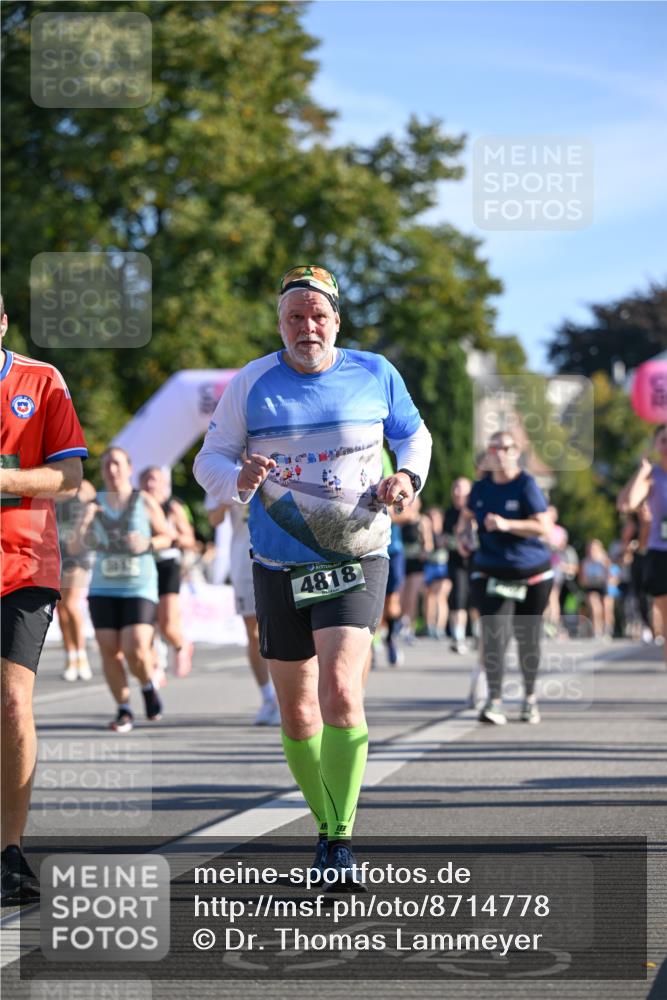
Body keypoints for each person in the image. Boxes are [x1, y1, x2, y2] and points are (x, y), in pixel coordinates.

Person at [194, 264, 431, 883]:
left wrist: (406, 476)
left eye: (317, 316)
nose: (307, 327)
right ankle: (324, 823)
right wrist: (236, 479)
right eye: (295, 317)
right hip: (278, 561)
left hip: (357, 555)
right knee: (298, 715)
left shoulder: (374, 373)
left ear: (336, 322)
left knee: (342, 693)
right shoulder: (252, 383)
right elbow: (209, 458)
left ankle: (339, 838)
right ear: (280, 323)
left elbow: (415, 436)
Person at [1, 294, 87, 903]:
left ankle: (10, 852)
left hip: (22, 565)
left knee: (11, 701)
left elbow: (70, 478)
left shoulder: (40, 380)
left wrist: (3, 479)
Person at [456, 431, 553, 725]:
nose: (498, 452)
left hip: (532, 573)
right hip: (491, 571)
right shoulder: (481, 487)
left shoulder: (526, 485)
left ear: (516, 452)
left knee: (528, 639)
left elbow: (543, 527)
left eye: (505, 448)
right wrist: (463, 536)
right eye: (493, 447)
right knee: (494, 636)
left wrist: (506, 524)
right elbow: (467, 516)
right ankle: (494, 700)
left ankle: (530, 698)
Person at [75, 447, 173, 733]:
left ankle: (146, 685)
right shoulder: (94, 504)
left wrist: (147, 544)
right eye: (106, 465)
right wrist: (85, 518)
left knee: (135, 648)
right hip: (103, 587)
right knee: (109, 650)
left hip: (138, 586)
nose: (112, 469)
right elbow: (74, 548)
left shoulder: (143, 501)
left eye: (117, 464)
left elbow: (169, 536)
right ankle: (124, 709)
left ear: (129, 469)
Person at [206, 497, 280, 724]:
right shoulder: (224, 465)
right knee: (254, 632)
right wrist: (229, 497)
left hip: (279, 551)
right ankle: (269, 698)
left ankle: (287, 697)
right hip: (243, 556)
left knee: (285, 628)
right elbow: (214, 519)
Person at [139, 466, 195, 678]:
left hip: (168, 565)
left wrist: (170, 537)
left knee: (167, 625)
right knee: (146, 623)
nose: (150, 484)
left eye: (154, 480)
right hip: (144, 567)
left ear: (163, 484)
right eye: (146, 480)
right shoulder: (136, 506)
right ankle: (155, 666)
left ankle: (181, 645)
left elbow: (190, 540)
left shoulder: (173, 508)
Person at [618, 425, 667, 667]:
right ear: (656, 445)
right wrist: (642, 470)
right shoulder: (652, 476)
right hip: (660, 553)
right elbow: (626, 504)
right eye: (664, 440)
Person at [56, 479, 96, 681]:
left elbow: (98, 509)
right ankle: (70, 656)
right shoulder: (48, 485)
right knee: (60, 607)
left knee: (71, 603)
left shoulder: (84, 486)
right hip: (56, 553)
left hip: (79, 554)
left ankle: (82, 655)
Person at [443, 477, 473, 652]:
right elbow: (445, 538)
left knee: (475, 598)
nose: (457, 492)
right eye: (455, 488)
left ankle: (477, 633)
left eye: (461, 488)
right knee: (458, 597)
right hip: (456, 562)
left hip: (475, 561)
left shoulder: (476, 511)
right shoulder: (449, 513)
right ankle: (458, 636)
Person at [579, 540, 610, 639]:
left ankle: (607, 628)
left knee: (606, 608)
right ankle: (597, 631)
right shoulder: (585, 562)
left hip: (602, 586)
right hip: (591, 587)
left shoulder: (604, 560)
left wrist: (604, 564)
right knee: (595, 608)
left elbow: (611, 575)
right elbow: (582, 580)